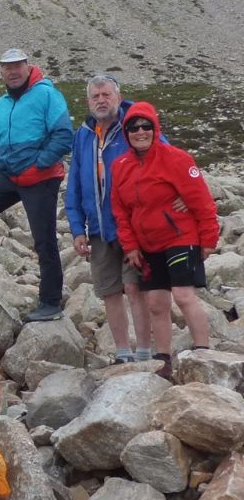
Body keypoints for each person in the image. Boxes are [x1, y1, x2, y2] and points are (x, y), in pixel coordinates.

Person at [111, 101, 219, 378]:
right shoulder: (120, 166)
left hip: (180, 237)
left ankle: (203, 352)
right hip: (147, 245)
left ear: (155, 128)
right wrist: (131, 246)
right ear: (126, 133)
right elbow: (120, 211)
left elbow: (202, 202)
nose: (140, 132)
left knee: (184, 296)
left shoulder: (177, 159)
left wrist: (208, 240)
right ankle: (163, 360)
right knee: (157, 303)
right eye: (133, 127)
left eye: (146, 126)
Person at [0, 48, 73, 323]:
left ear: (28, 67)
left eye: (17, 66)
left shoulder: (46, 94)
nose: (12, 72)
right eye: (7, 68)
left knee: (43, 238)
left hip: (41, 178)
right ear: (1, 72)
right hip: (11, 176)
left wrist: (39, 164)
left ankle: (50, 301)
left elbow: (63, 136)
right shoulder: (0, 106)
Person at [65, 75, 154, 362]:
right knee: (109, 291)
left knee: (133, 286)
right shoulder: (83, 134)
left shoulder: (136, 126)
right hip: (98, 228)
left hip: (132, 227)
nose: (101, 101)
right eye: (95, 97)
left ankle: (143, 351)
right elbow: (75, 182)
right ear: (88, 102)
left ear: (118, 96)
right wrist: (77, 228)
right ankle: (121, 352)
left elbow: (166, 158)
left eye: (106, 95)